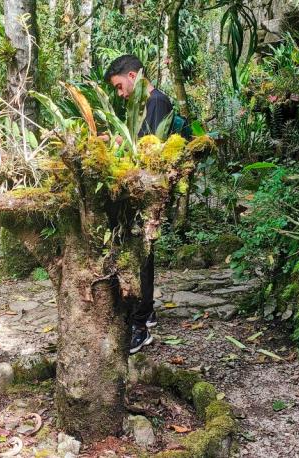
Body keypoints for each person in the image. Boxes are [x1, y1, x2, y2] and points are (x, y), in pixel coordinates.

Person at [103, 54, 173, 353]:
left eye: (120, 86)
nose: (120, 94)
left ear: (133, 76)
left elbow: (152, 149)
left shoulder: (156, 102)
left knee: (141, 256)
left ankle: (140, 325)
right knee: (142, 255)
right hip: (142, 191)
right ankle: (147, 311)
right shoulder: (146, 104)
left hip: (147, 194)